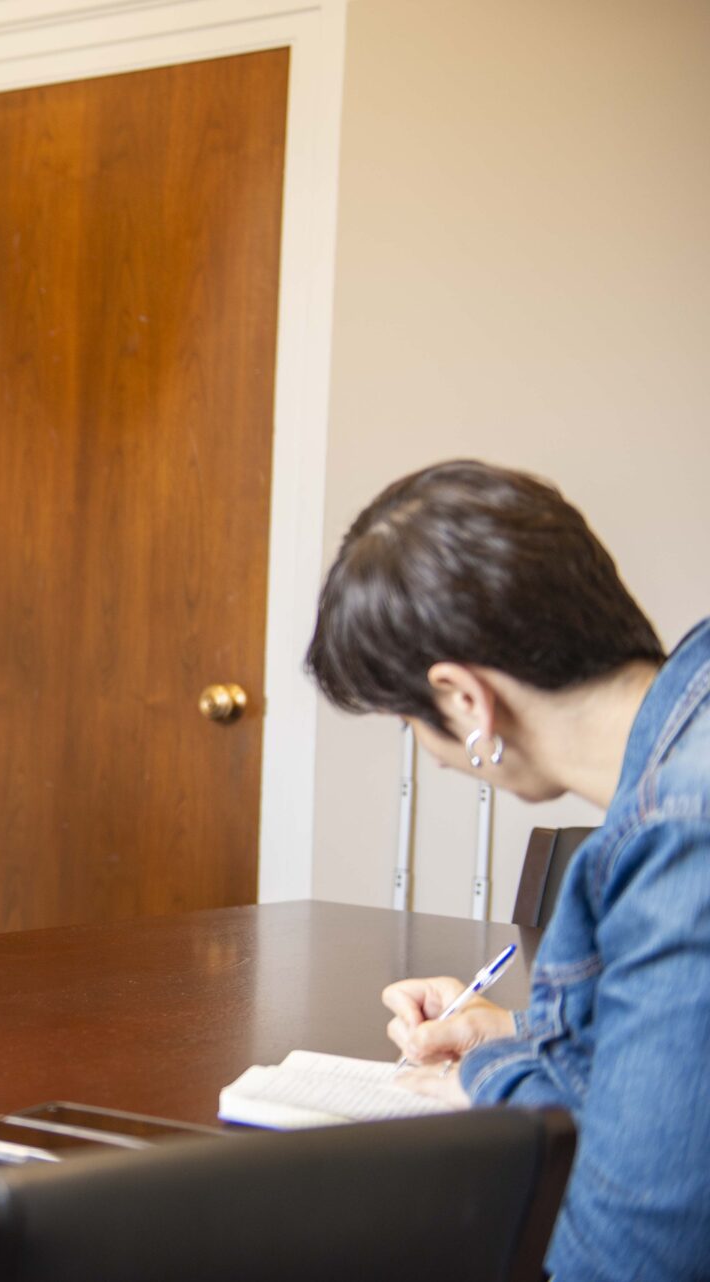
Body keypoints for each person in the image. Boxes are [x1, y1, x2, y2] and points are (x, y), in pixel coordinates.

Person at [305, 459, 710, 1281]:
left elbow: (631, 1257)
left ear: (462, 699)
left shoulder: (682, 835)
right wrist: (519, 1032)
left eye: (404, 720)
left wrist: (493, 1070)